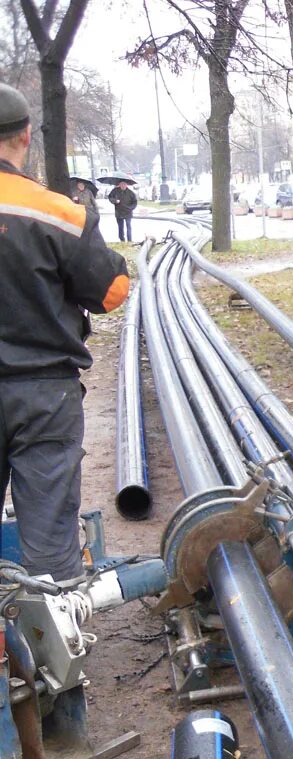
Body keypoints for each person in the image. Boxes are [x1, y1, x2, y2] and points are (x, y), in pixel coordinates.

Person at [0, 83, 130, 580]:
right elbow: (113, 291)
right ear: (26, 137)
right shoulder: (60, 213)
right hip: (44, 395)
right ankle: (57, 650)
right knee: (50, 535)